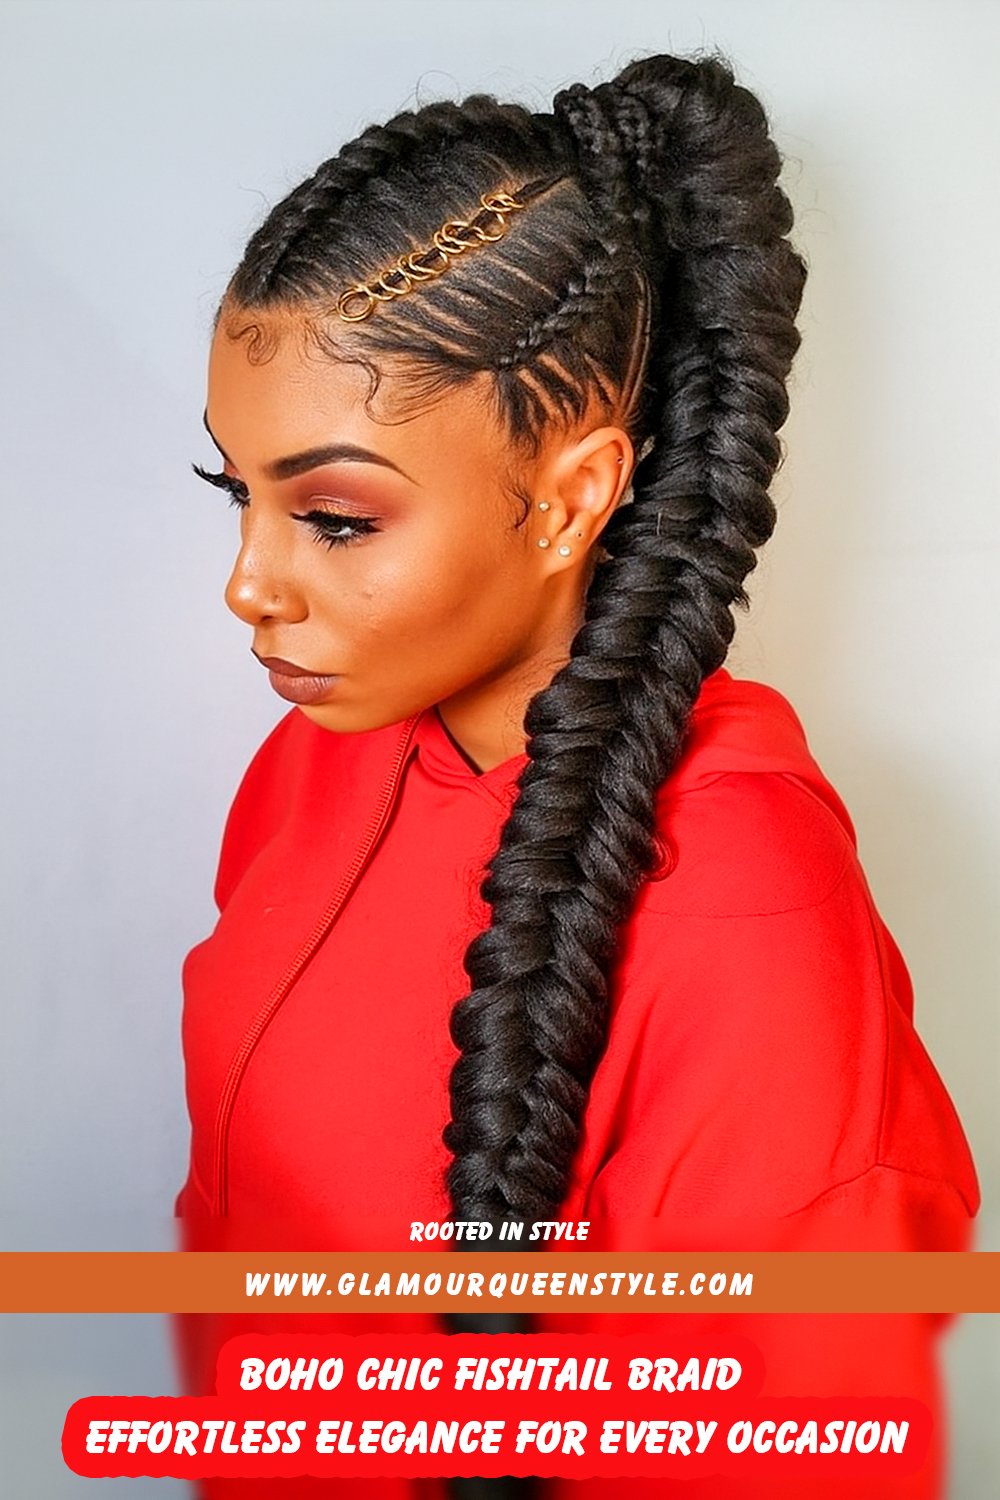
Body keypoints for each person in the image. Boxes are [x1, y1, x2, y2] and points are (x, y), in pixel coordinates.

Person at [173, 49, 979, 1500]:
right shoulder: (314, 765)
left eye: (336, 517)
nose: (249, 585)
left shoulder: (745, 910)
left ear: (571, 497)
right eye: (240, 492)